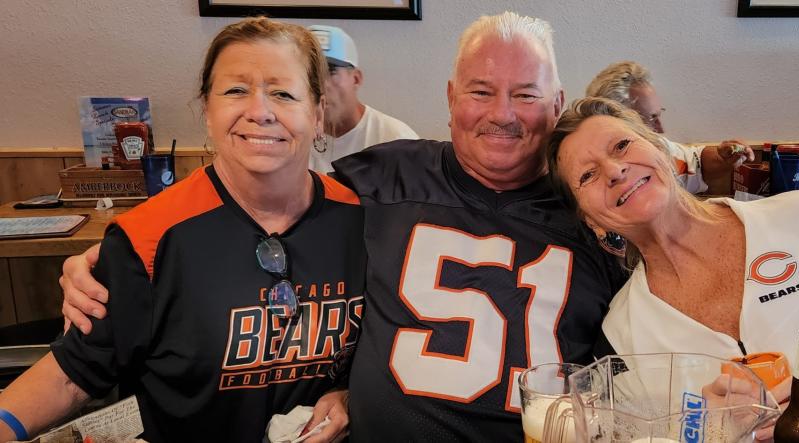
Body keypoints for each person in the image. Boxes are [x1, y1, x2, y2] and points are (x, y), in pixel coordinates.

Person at [59, 12, 623, 441]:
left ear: (557, 103)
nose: (502, 113)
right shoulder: (377, 177)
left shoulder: (596, 204)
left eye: (525, 95)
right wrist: (118, 253)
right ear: (451, 99)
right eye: (480, 91)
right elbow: (259, 199)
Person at [0, 18, 364, 443]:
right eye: (235, 90)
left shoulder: (363, 221)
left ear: (318, 115)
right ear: (207, 111)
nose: (260, 111)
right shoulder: (148, 237)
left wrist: (351, 396)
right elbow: (71, 376)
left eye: (283, 93)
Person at [547, 96, 799, 441]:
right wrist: (709, 431)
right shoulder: (621, 340)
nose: (615, 170)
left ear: (661, 150)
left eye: (621, 146)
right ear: (590, 220)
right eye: (587, 175)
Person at [586, 60, 754, 194]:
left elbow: (694, 163)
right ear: (614, 122)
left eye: (659, 115)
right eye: (652, 118)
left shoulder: (657, 148)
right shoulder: (586, 173)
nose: (660, 129)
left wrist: (722, 157)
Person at [307, 25, 418, 174]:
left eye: (330, 71)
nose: (320, 84)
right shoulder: (290, 137)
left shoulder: (396, 140)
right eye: (310, 72)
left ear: (356, 79)